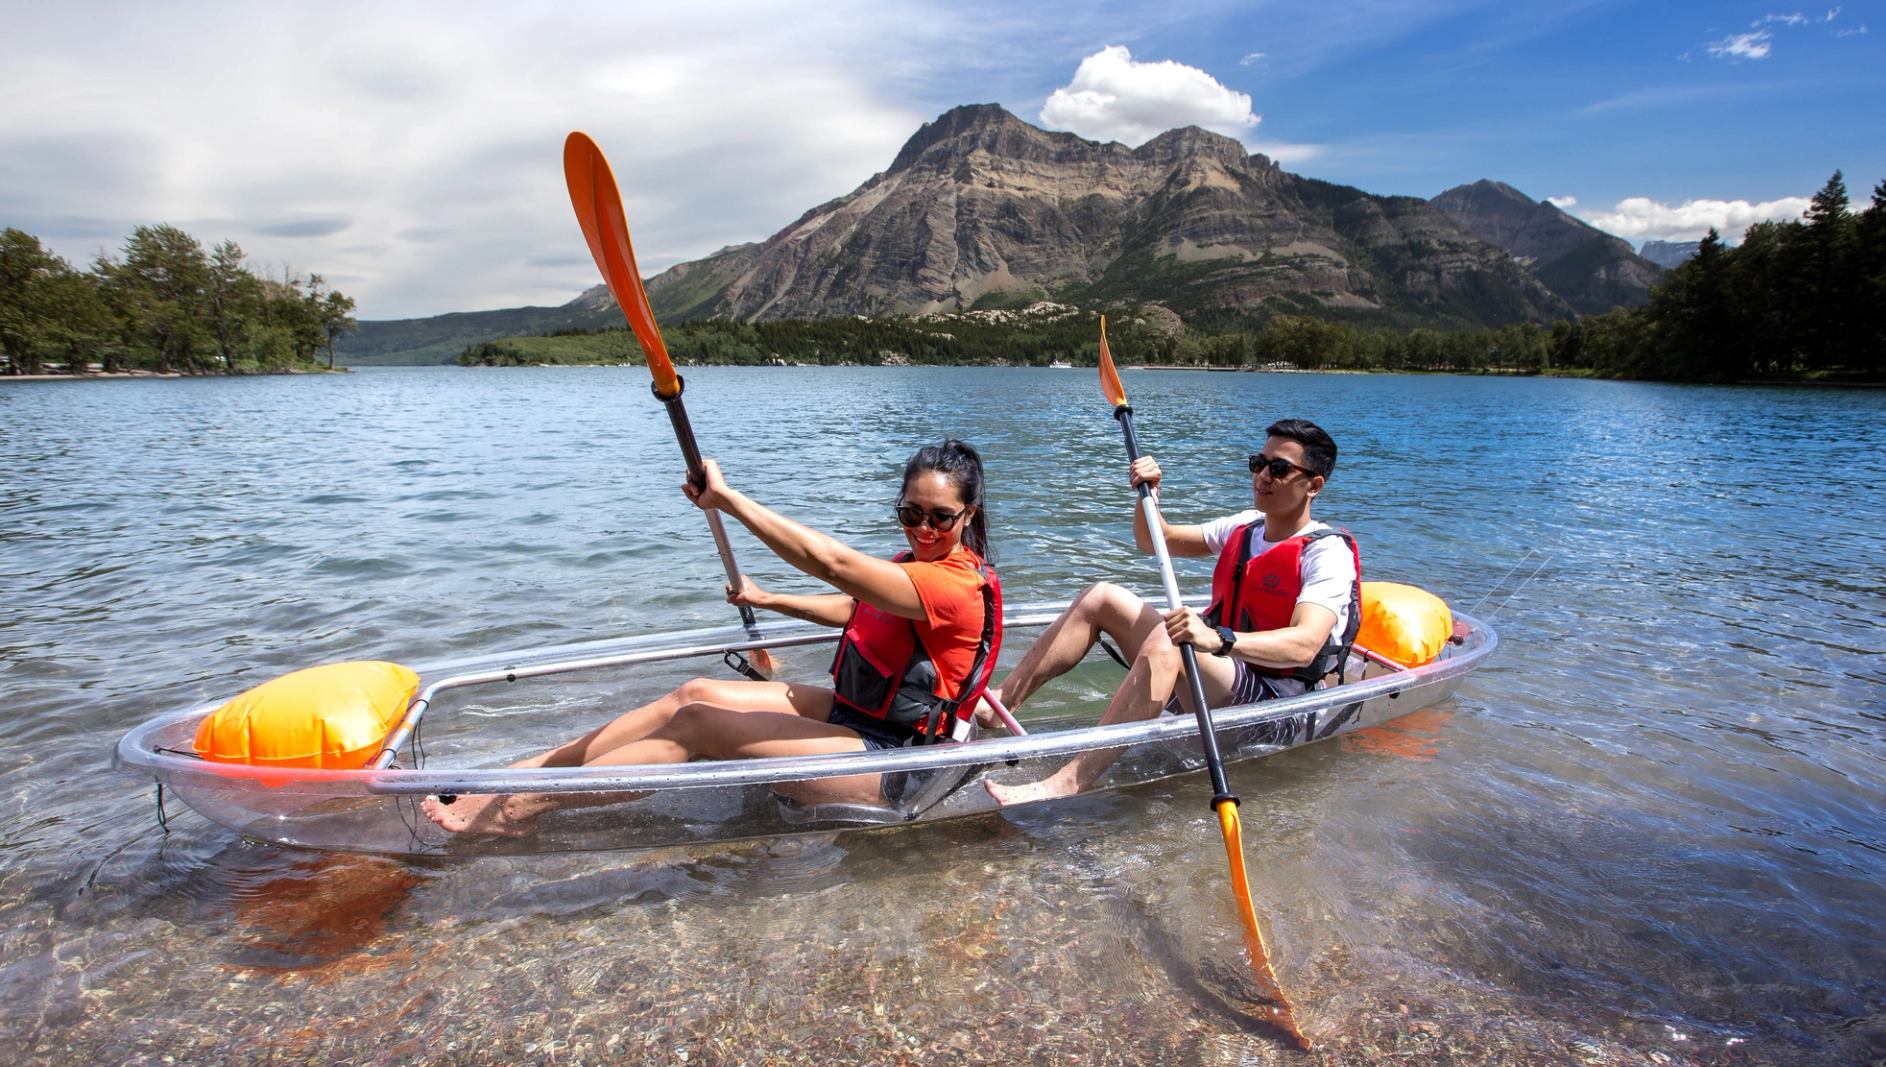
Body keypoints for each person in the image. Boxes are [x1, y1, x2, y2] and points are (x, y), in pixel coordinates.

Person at [423, 440, 1002, 835]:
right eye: (911, 512)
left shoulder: (954, 586)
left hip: (897, 762)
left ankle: (517, 808)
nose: (923, 528)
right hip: (857, 718)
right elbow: (855, 605)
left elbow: (833, 564)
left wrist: (729, 500)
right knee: (693, 694)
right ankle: (526, 772)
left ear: (968, 515)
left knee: (700, 726)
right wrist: (768, 598)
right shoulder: (912, 565)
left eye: (940, 517)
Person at [985, 418, 1358, 805]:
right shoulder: (1245, 526)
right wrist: (1151, 495)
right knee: (1102, 597)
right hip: (1225, 675)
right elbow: (1154, 540)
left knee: (1172, 636)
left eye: (1278, 468)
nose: (1262, 476)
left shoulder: (1326, 552)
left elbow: (1304, 645)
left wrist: (1216, 639)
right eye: (1257, 463)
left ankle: (1071, 780)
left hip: (1277, 709)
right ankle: (1000, 705)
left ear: (1314, 485)